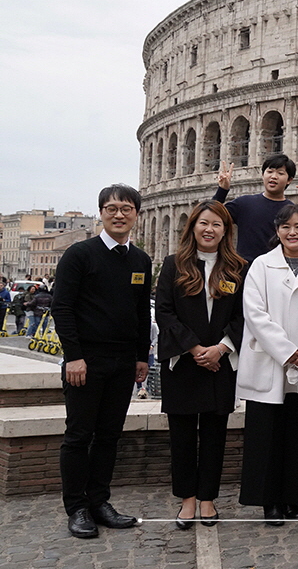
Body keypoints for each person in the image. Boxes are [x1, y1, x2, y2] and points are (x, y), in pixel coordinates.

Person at [53, 184, 153, 538]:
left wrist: (142, 357)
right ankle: (76, 507)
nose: (119, 214)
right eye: (111, 208)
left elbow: (142, 314)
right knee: (79, 435)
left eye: (126, 208)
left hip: (123, 362)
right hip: (86, 361)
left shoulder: (141, 260)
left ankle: (99, 501)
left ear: (136, 215)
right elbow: (61, 307)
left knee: (109, 435)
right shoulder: (80, 255)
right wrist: (74, 357)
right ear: (101, 213)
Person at [154, 201, 246, 529]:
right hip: (184, 362)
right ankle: (187, 500)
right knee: (181, 436)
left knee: (214, 434)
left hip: (220, 362)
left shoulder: (237, 267)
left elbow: (242, 316)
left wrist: (221, 348)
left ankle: (207, 498)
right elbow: (163, 312)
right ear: (192, 226)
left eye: (217, 224)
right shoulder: (173, 264)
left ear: (225, 231)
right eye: (203, 223)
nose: (209, 229)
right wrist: (195, 348)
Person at [237, 203, 298, 525]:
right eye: (286, 227)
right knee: (267, 437)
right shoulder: (261, 266)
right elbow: (254, 313)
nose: (293, 233)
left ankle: (295, 498)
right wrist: (287, 351)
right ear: (277, 231)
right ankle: (269, 501)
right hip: (271, 361)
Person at [214, 155, 298, 264]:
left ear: (289, 180)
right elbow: (212, 215)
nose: (274, 176)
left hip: (277, 268)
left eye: (280, 173)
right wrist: (222, 190)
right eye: (270, 171)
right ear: (263, 175)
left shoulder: (291, 211)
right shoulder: (244, 203)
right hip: (245, 268)